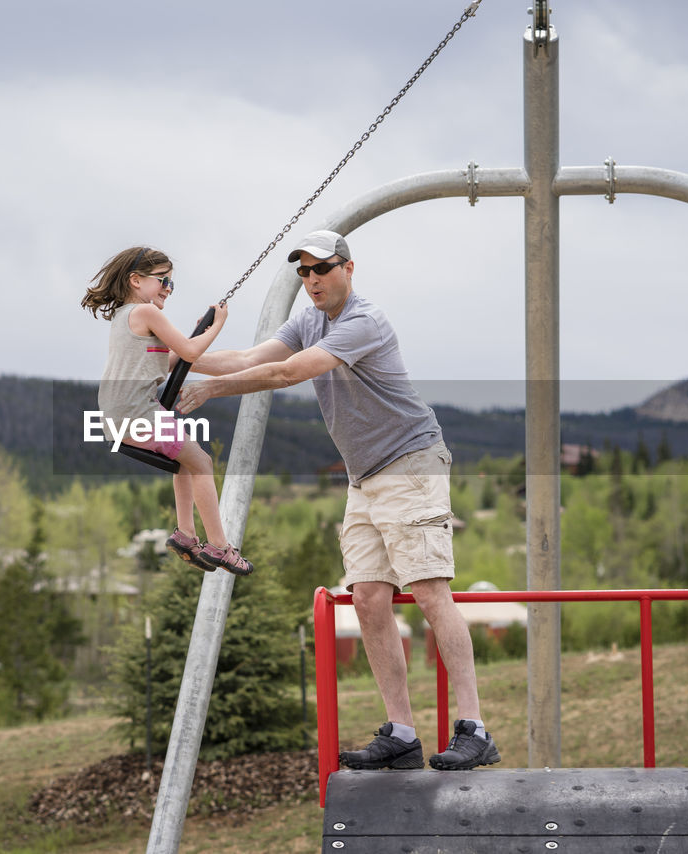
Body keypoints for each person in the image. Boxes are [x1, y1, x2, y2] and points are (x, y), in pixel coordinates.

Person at [177, 230, 497, 770]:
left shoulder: (363, 322)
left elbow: (286, 373)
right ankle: (401, 734)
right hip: (364, 474)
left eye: (322, 268)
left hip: (410, 460)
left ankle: (475, 728)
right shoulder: (308, 319)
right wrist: (179, 360)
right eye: (303, 272)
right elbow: (254, 356)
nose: (312, 280)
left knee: (427, 590)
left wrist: (206, 389)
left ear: (350, 268)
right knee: (369, 598)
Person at [82, 246, 254, 576]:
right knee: (202, 461)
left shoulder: (126, 318)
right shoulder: (146, 313)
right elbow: (189, 351)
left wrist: (195, 335)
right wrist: (217, 326)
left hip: (119, 416)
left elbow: (172, 358)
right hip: (138, 413)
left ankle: (186, 535)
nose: (167, 289)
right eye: (163, 281)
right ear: (135, 280)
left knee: (184, 464)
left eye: (171, 284)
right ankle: (219, 546)